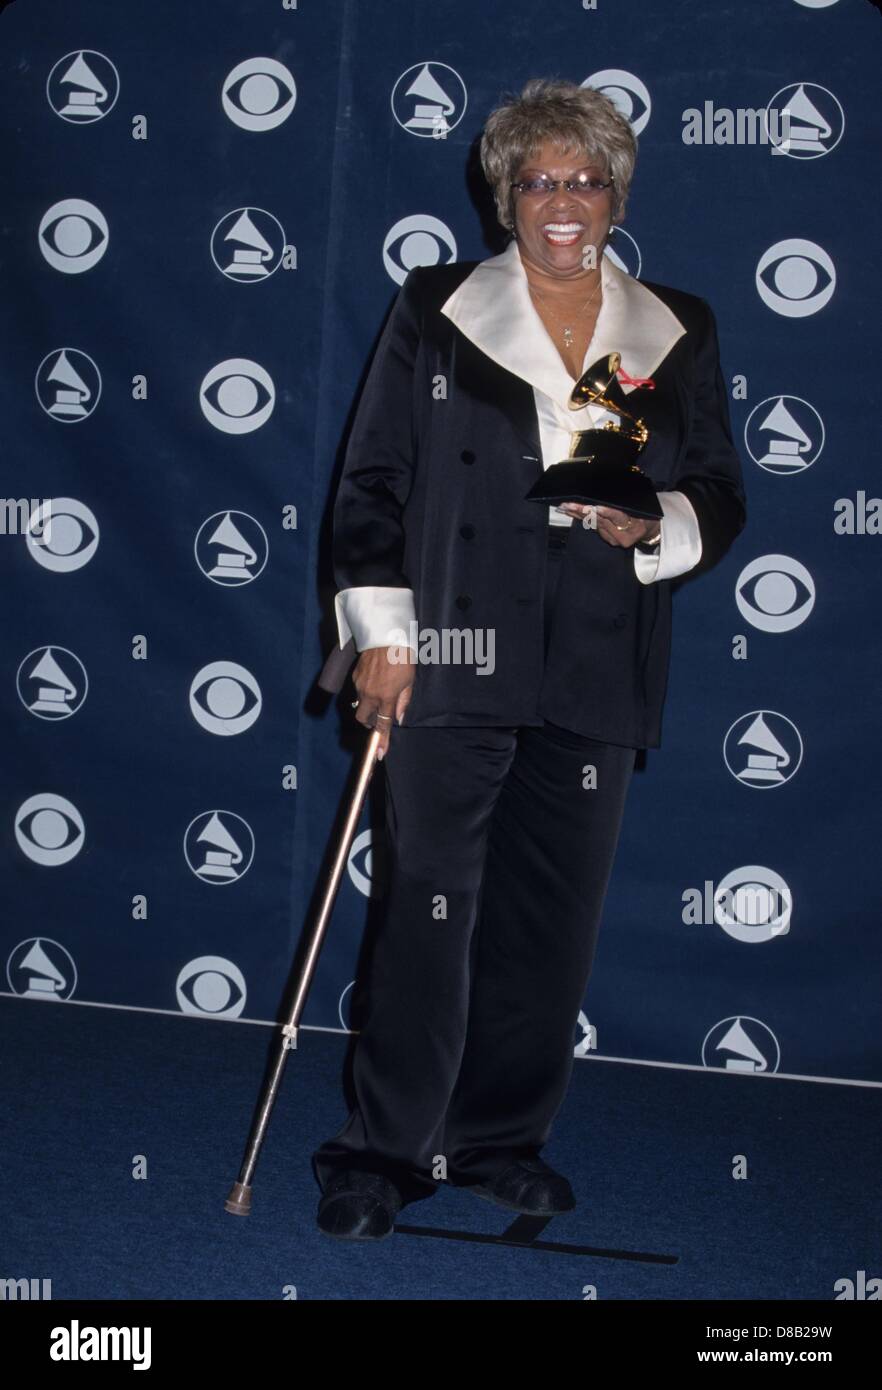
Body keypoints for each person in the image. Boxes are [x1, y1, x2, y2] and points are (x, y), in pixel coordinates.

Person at [312, 77, 746, 1241]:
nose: (564, 200)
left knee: (550, 920)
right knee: (427, 906)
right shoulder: (438, 305)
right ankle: (383, 1149)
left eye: (586, 179)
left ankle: (498, 1139)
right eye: (540, 179)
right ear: (506, 196)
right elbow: (373, 483)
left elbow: (719, 486)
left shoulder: (679, 325)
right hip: (452, 647)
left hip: (598, 653)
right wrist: (384, 639)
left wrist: (658, 524)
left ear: (616, 195)